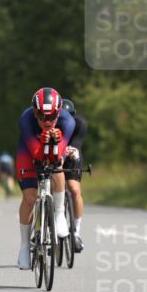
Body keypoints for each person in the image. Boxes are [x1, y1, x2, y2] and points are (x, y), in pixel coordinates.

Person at [16, 87, 75, 269]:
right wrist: (43, 141)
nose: (47, 121)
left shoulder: (67, 122)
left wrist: (56, 144)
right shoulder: (26, 120)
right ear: (35, 113)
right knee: (30, 197)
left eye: (51, 117)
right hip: (28, 151)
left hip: (53, 151)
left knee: (57, 168)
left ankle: (58, 213)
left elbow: (56, 159)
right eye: (42, 117)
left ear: (59, 112)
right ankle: (25, 246)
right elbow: (35, 153)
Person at [61, 98, 87, 253]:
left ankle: (76, 232)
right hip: (53, 155)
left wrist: (70, 151)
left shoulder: (80, 124)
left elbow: (76, 144)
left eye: (68, 117)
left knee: (74, 189)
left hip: (71, 155)